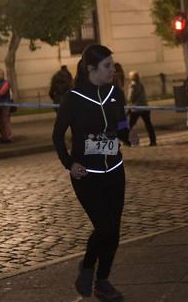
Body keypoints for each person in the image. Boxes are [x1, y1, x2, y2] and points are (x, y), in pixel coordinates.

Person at [52, 44, 138, 300]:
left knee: (114, 229)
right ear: (91, 69)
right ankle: (88, 267)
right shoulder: (74, 98)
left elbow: (121, 124)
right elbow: (58, 135)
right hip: (86, 174)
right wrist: (69, 163)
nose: (113, 70)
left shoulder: (115, 93)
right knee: (105, 226)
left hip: (114, 169)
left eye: (113, 65)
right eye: (107, 66)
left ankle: (103, 281)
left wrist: (129, 135)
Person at [127, 71, 156, 146]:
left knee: (130, 124)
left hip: (136, 108)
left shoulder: (132, 85)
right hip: (144, 107)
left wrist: (129, 100)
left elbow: (130, 97)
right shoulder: (141, 84)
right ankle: (153, 140)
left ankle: (126, 140)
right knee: (148, 124)